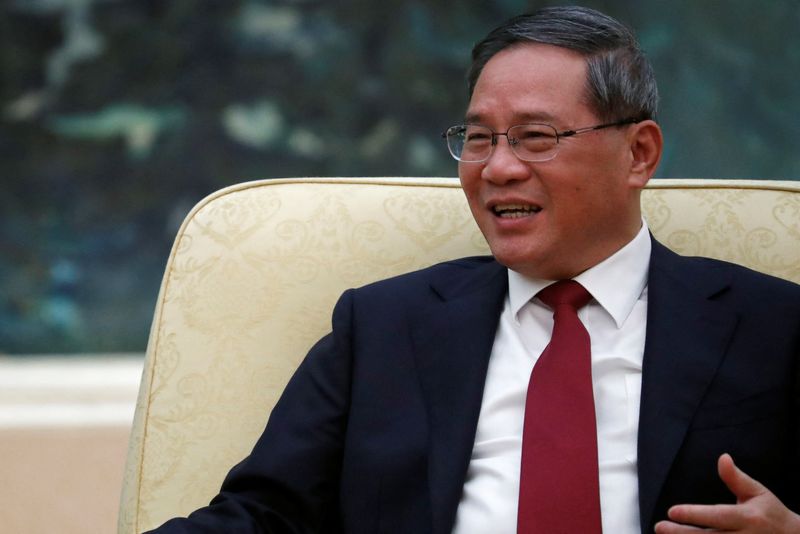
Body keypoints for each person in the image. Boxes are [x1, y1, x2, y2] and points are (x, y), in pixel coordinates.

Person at [148, 6, 800, 533]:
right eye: (479, 137)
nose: (497, 168)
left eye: (536, 136)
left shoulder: (775, 326)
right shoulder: (382, 328)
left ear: (638, 153)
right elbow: (263, 516)